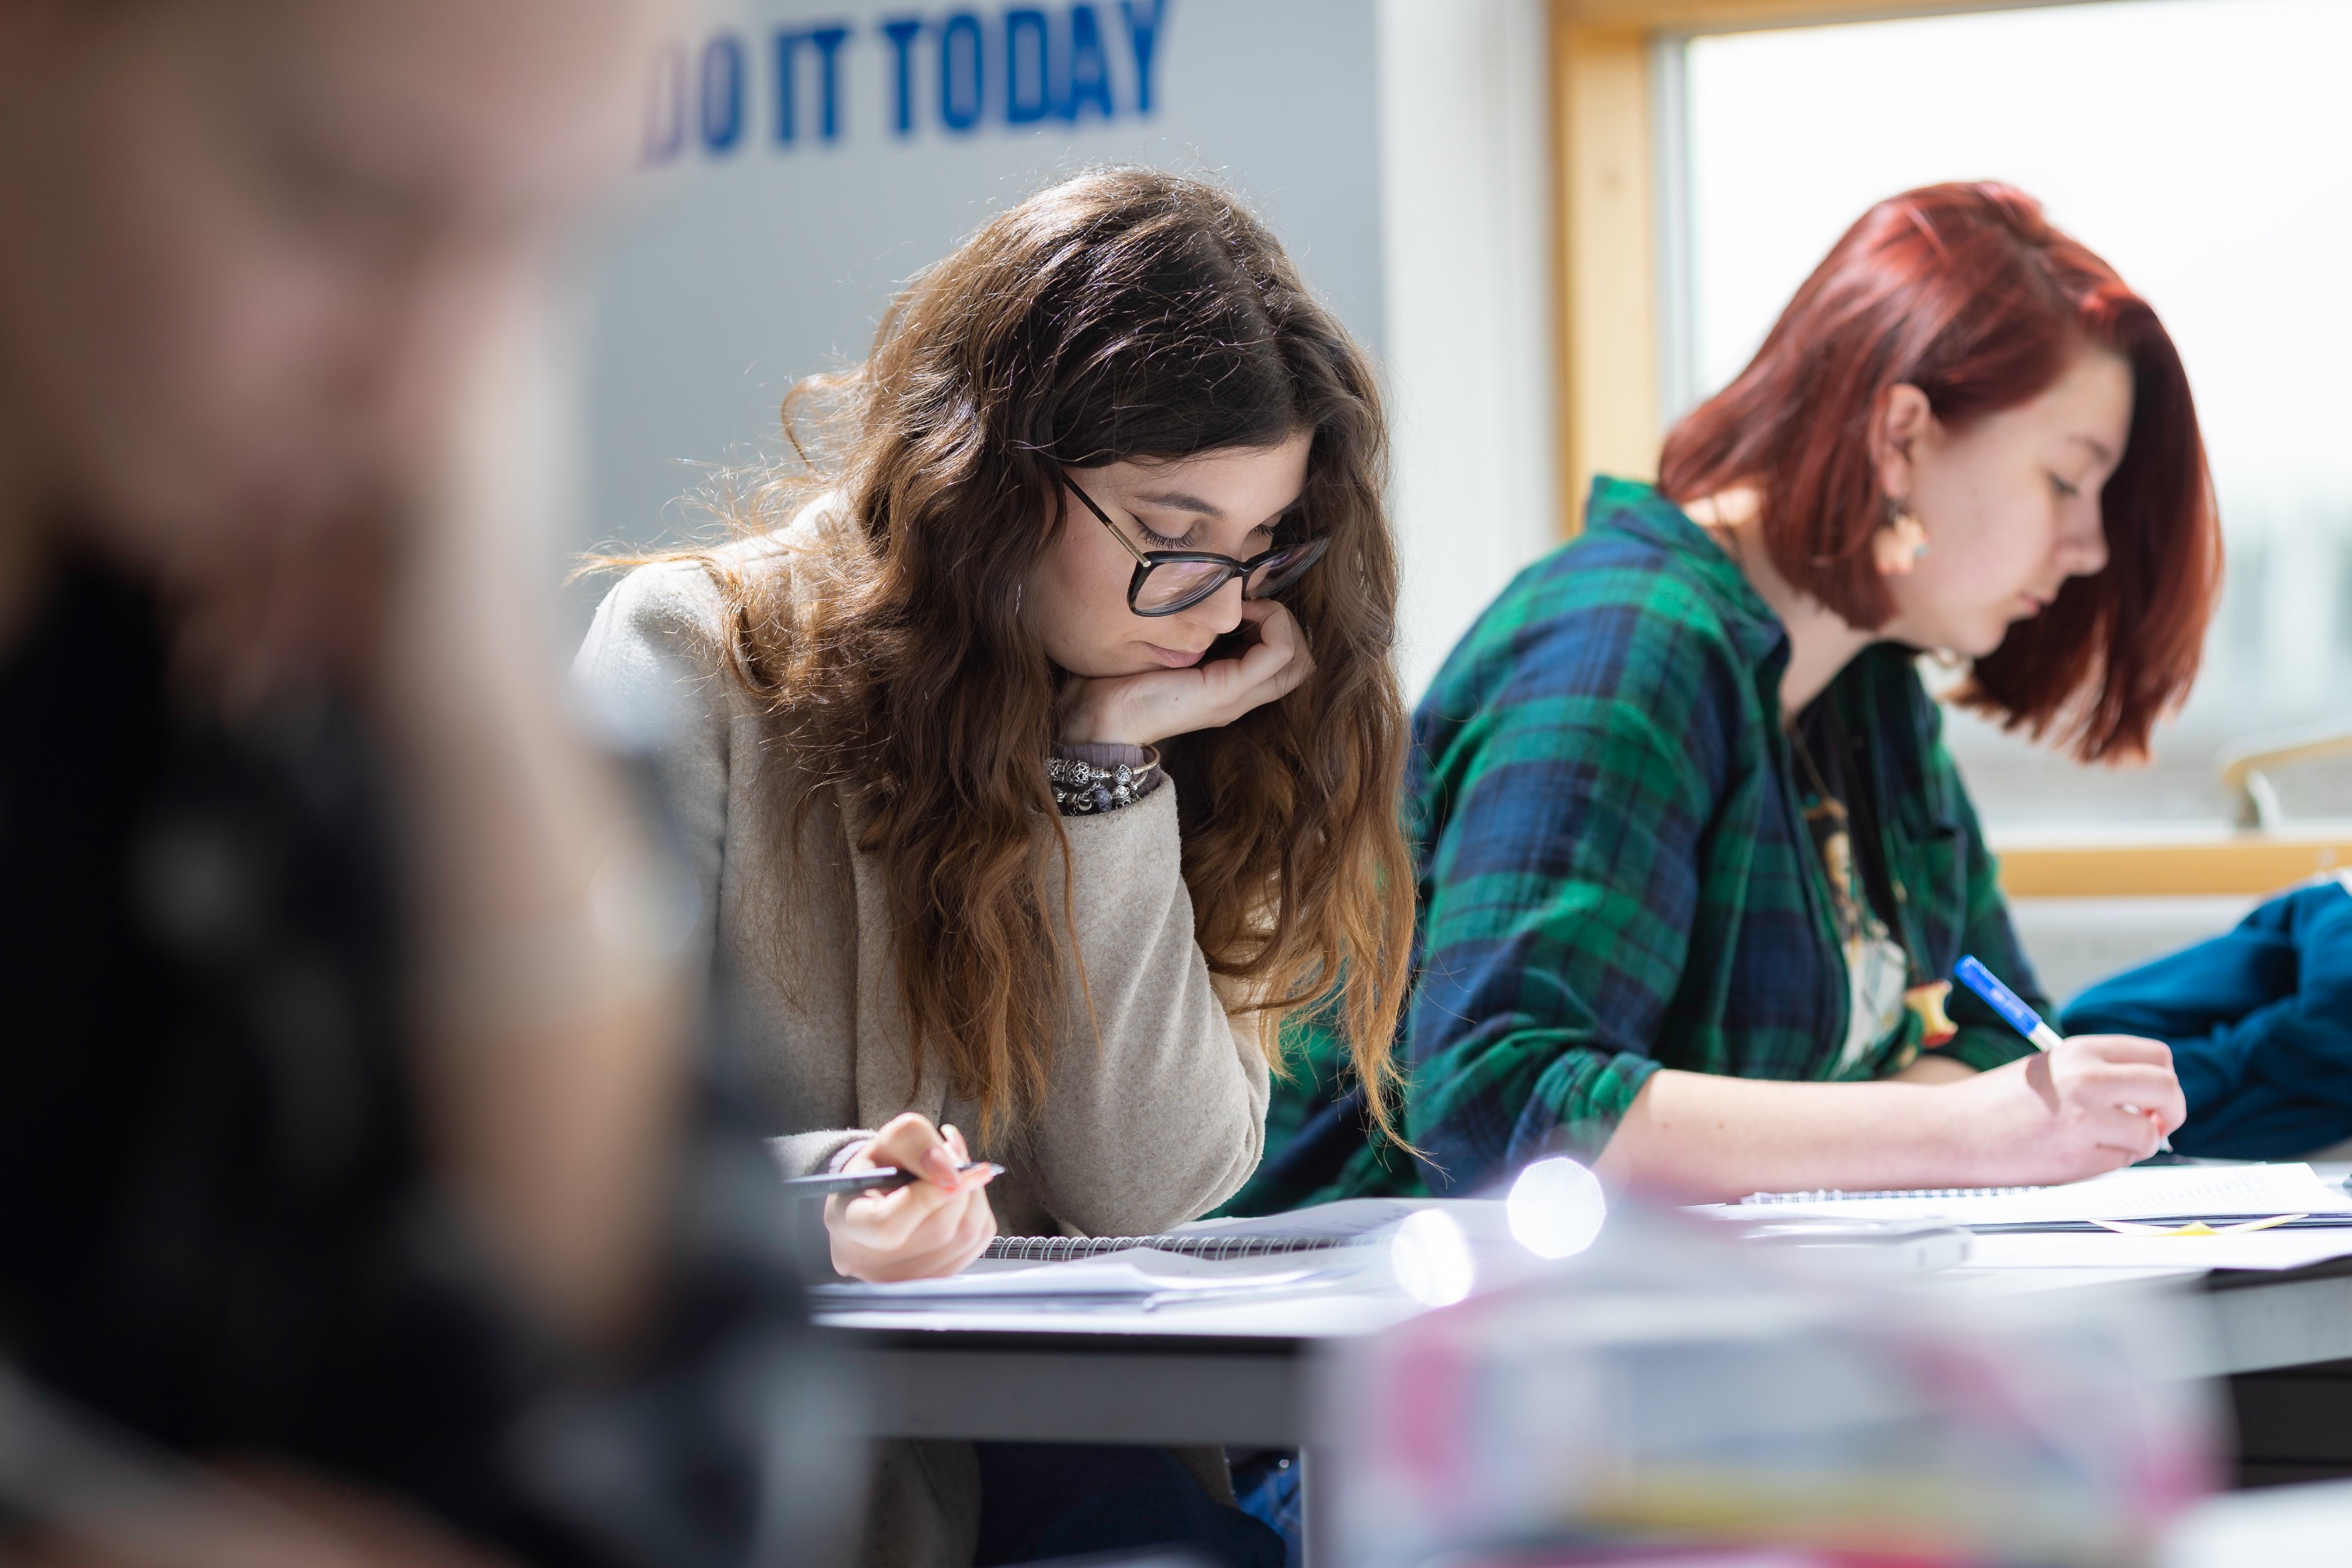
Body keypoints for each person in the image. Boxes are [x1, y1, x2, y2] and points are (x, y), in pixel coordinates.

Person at [0, 1, 836, 1563]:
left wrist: (477, 722)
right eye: (348, 199)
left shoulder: (298, 654)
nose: (422, 385)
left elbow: (706, 1464)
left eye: (543, 241)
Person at [575, 166, 1413, 1566]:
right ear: (997, 468)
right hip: (777, 1465)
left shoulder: (1201, 720)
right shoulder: (696, 654)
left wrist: (1106, 770)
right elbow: (573, 1139)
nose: (1217, 615)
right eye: (1171, 538)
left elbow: (1150, 1184)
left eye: (1261, 547)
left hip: (1072, 1455)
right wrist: (825, 1203)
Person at [1402, 183, 2217, 1202]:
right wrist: (1957, 1131)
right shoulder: (1623, 642)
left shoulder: (1870, 691)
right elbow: (1500, 1109)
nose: (2091, 545)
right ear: (1903, 437)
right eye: (2066, 480)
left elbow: (2002, 1034)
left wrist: (1961, 1121)